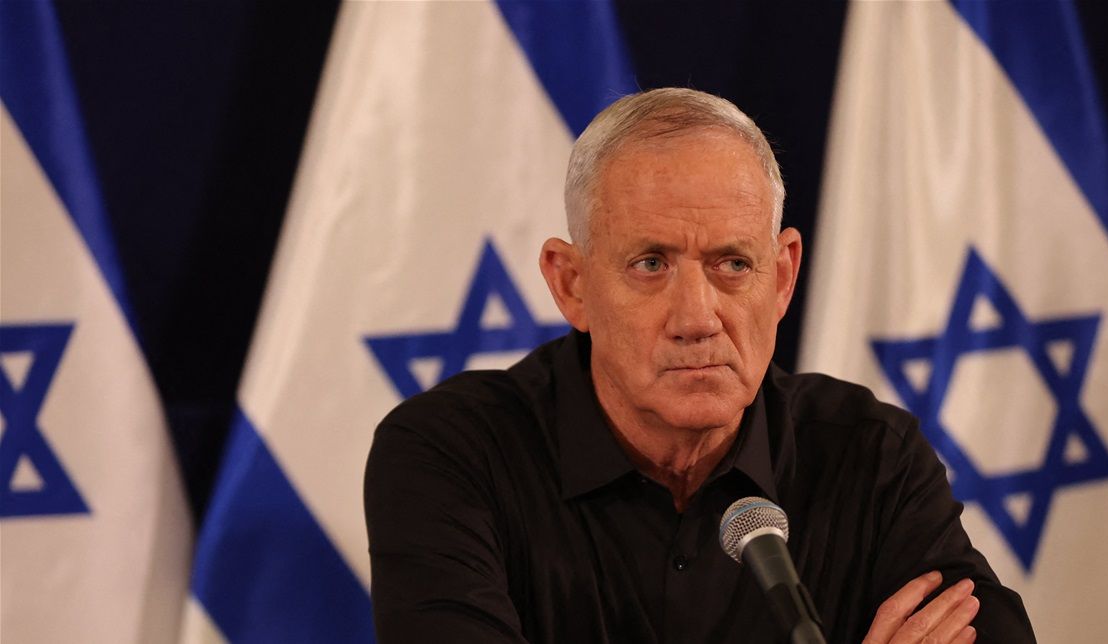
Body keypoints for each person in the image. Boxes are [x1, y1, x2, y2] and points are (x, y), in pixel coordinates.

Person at [364, 88, 1036, 643]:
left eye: (733, 264)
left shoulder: (870, 454)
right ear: (572, 284)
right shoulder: (451, 453)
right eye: (650, 264)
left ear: (781, 278)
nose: (697, 317)